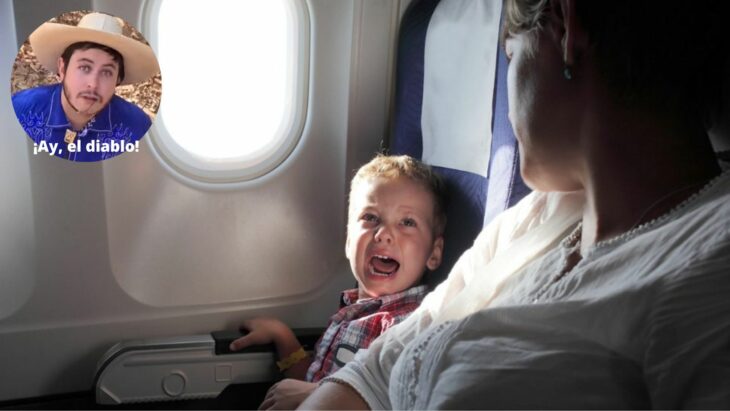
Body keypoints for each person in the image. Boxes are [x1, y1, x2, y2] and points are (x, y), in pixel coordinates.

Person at [300, 0, 730, 409]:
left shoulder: (712, 262)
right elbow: (376, 371)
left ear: (566, 27)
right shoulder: (536, 217)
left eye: (511, 53)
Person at [229, 155, 447, 409]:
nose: (384, 234)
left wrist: (315, 394)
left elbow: (398, 400)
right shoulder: (353, 313)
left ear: (434, 253)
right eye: (371, 218)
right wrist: (283, 337)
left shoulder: (411, 325)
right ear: (348, 241)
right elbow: (309, 381)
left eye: (407, 222)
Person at [12, 12, 159, 162]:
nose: (93, 84)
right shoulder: (21, 110)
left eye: (107, 72)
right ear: (62, 69)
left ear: (118, 80)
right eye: (85, 68)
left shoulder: (136, 128)